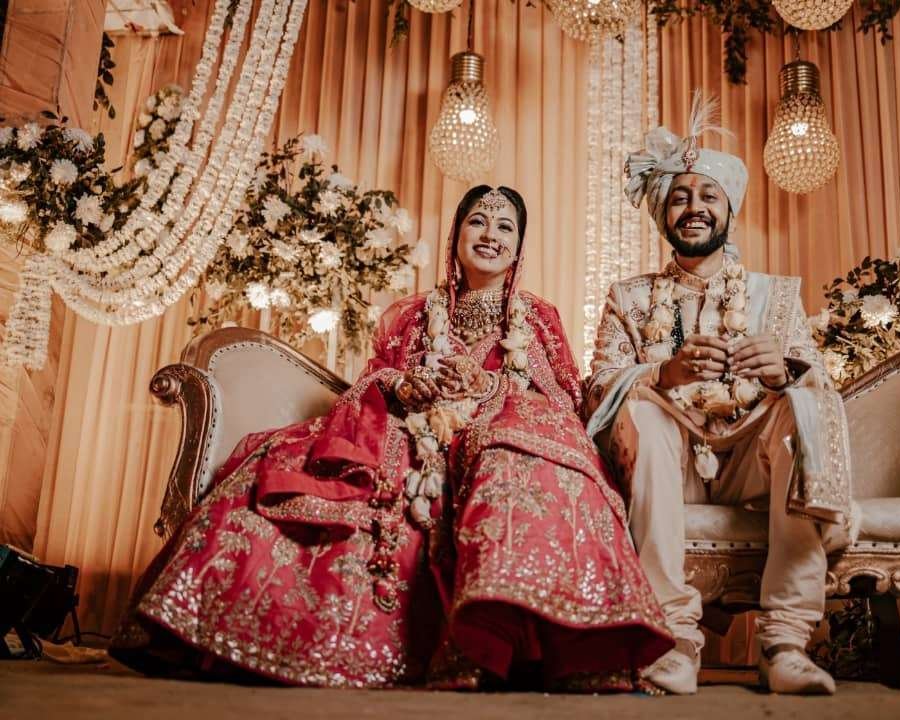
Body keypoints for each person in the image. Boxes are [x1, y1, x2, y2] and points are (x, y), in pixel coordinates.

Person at [111, 185, 673, 691]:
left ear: (519, 247)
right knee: (281, 464)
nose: (490, 235)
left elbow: (563, 398)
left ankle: (504, 634)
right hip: (411, 431)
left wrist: (489, 386)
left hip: (497, 440)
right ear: (456, 235)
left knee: (520, 469)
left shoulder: (538, 318)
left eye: (505, 227)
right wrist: (404, 384)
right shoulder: (412, 314)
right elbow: (375, 376)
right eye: (477, 222)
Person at [584, 94, 856, 696]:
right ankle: (675, 640)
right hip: (668, 461)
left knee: (802, 406)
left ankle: (785, 644)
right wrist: (663, 374)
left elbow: (822, 385)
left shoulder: (774, 295)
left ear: (729, 210)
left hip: (750, 464)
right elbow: (598, 386)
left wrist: (785, 373)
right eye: (680, 197)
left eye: (708, 196)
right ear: (664, 214)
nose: (694, 208)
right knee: (643, 412)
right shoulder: (629, 297)